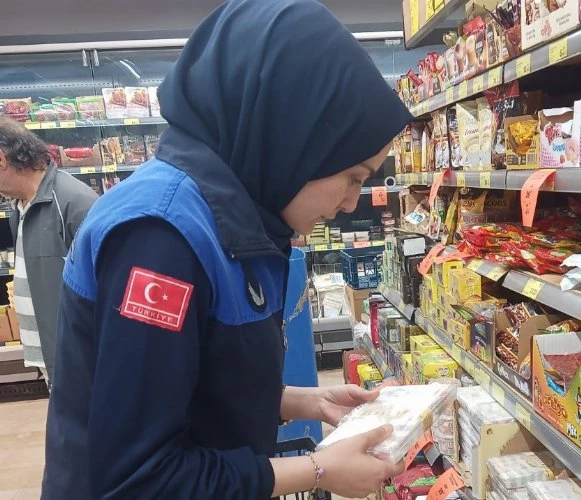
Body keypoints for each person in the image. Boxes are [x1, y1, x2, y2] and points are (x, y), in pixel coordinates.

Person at [42, 0, 413, 498]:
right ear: (294, 139)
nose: (350, 203)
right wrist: (318, 470)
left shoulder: (236, 216)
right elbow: (138, 479)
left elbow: (190, 385)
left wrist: (304, 401)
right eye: (352, 177)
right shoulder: (160, 239)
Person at [0, 117, 97, 387]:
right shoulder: (20, 206)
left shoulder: (74, 202)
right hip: (49, 353)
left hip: (77, 359)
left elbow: (106, 287)